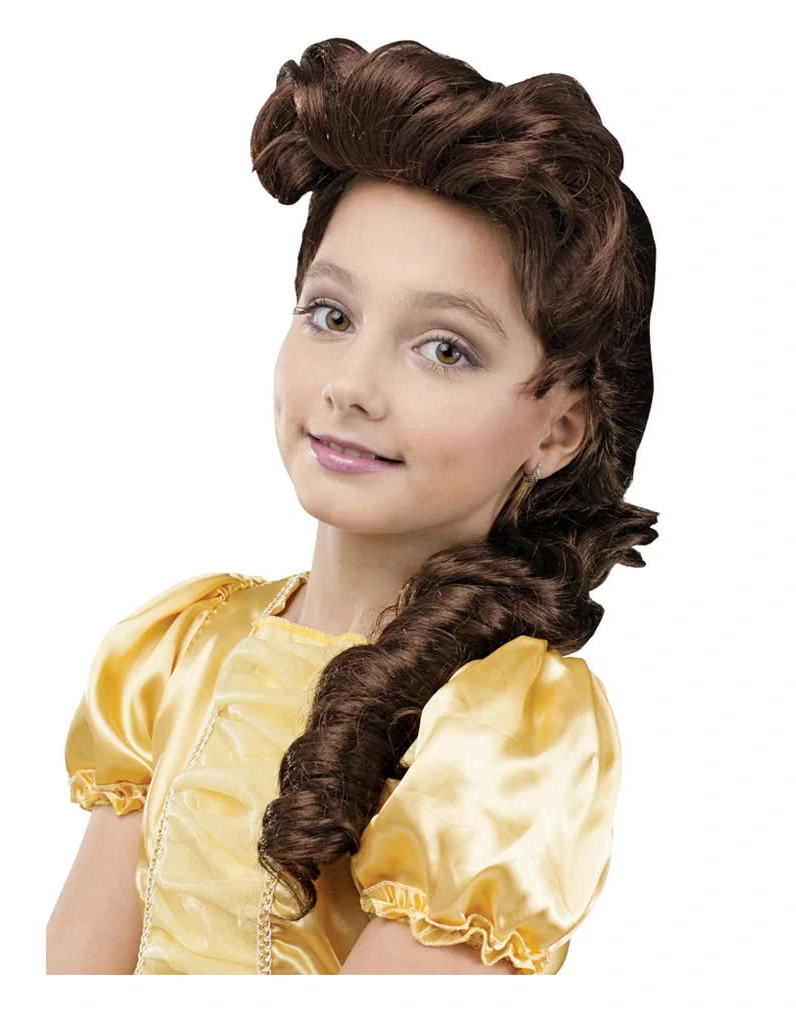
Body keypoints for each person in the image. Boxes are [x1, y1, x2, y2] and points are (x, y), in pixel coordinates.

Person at [47, 37, 658, 975]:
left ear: (559, 428)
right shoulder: (180, 647)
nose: (352, 386)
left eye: (444, 349)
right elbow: (75, 968)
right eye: (331, 316)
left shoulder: (505, 722)